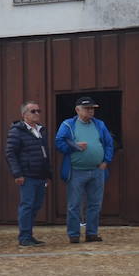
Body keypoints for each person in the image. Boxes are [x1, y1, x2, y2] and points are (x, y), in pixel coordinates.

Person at [55, 96, 115, 243]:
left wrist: (106, 161)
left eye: (92, 109)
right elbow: (58, 142)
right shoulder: (68, 125)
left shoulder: (99, 124)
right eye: (87, 109)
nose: (90, 111)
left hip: (97, 170)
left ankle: (91, 233)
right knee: (74, 204)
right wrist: (73, 146)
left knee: (95, 204)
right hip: (76, 170)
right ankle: (74, 235)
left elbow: (109, 143)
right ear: (77, 110)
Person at [5, 101, 50, 247]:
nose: (37, 114)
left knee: (36, 206)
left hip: (40, 175)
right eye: (33, 111)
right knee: (27, 206)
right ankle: (24, 237)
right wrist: (17, 173)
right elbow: (10, 153)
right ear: (24, 115)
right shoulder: (17, 131)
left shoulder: (41, 130)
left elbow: (45, 153)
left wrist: (47, 174)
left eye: (38, 111)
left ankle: (29, 234)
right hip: (27, 175)